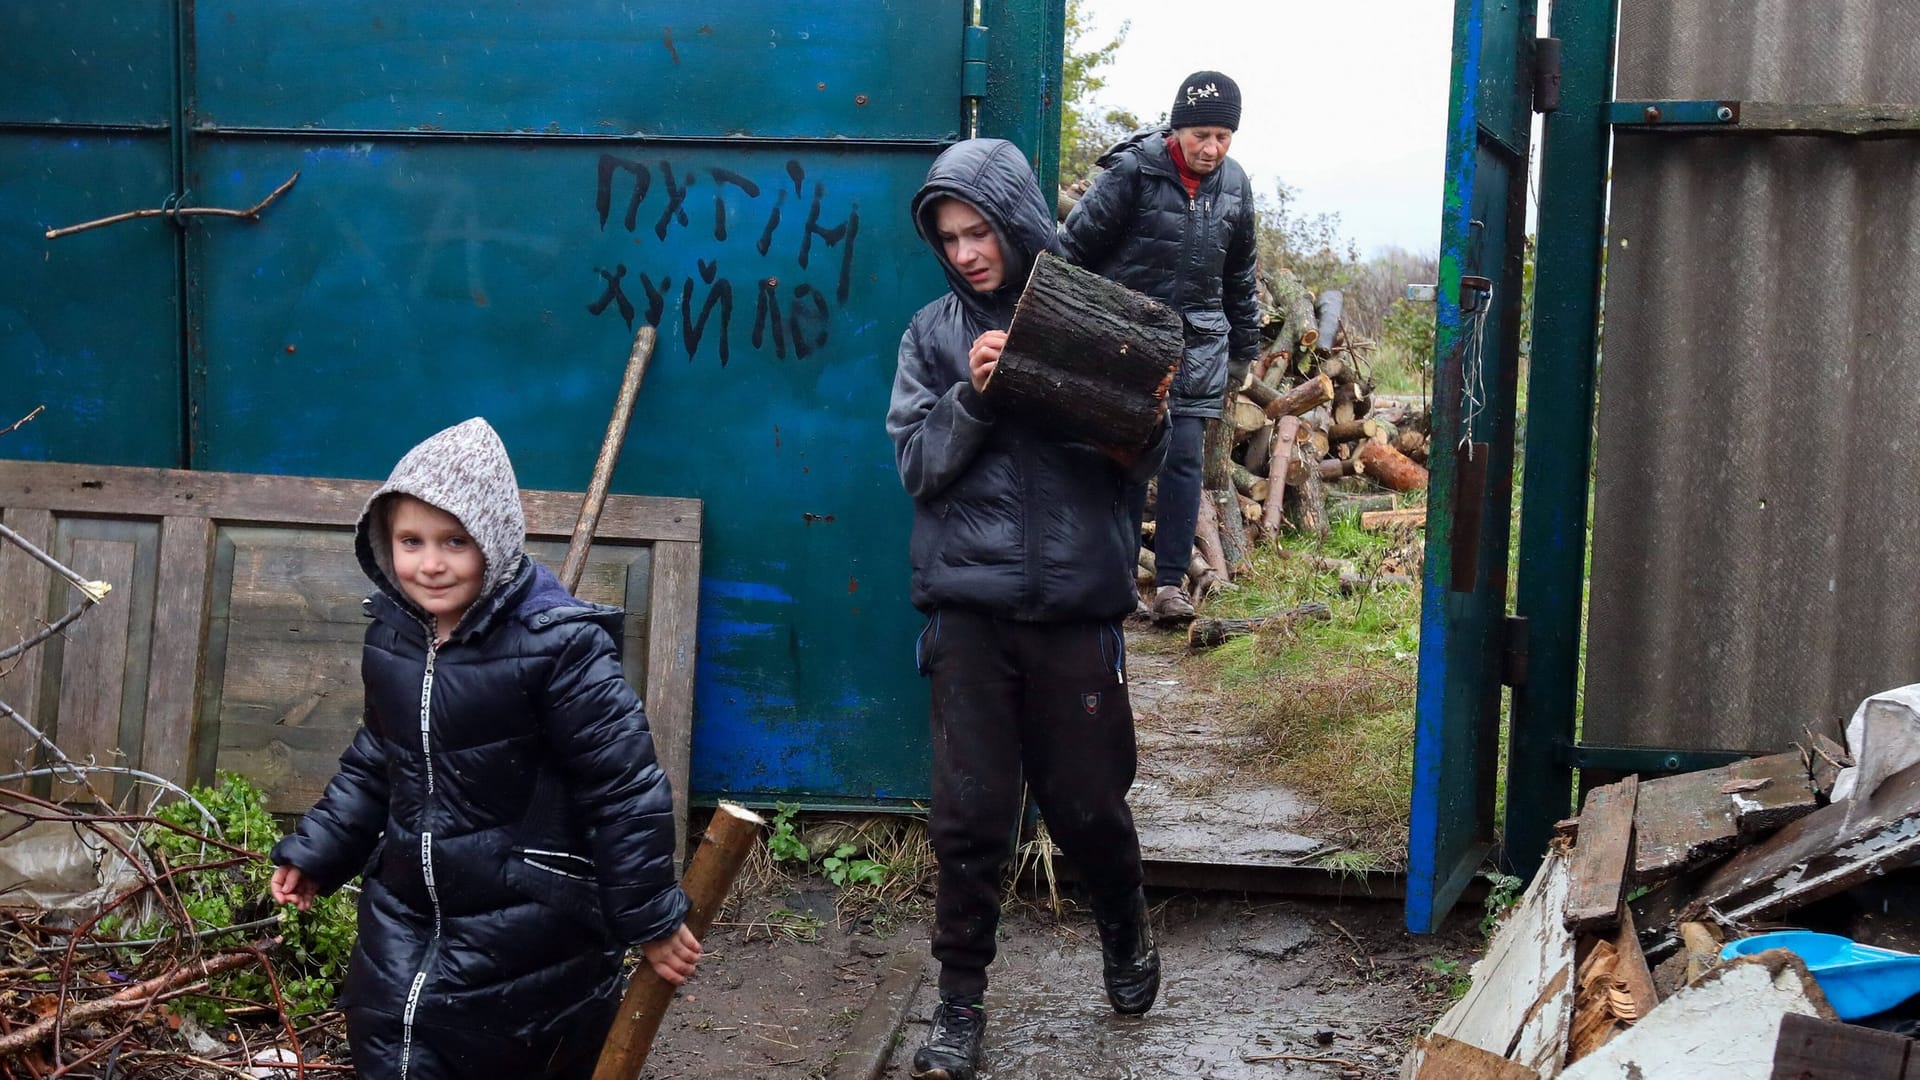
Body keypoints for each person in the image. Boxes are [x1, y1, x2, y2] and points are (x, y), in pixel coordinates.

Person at [268, 417, 699, 1080]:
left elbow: (623, 786)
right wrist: (322, 850)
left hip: (529, 923)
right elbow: (379, 754)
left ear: (493, 541)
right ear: (385, 543)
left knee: (505, 1052)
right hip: (408, 909)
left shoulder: (560, 647)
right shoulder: (393, 636)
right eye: (411, 541)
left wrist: (649, 914)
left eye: (454, 542)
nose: (430, 563)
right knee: (390, 1036)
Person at [887, 138, 1170, 1080]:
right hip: (968, 610)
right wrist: (972, 393)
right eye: (949, 238)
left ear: (1013, 221)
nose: (966, 253)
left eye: (979, 231)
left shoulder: (1089, 311)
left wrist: (1139, 409)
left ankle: (1125, 924)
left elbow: (1139, 458)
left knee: (1088, 806)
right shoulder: (930, 335)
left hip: (1074, 609)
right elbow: (918, 468)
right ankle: (958, 1005)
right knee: (970, 817)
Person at [1060, 70, 1261, 623]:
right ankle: (1117, 580)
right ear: (1178, 129)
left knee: (1183, 463)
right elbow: (1071, 250)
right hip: (1127, 339)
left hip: (1197, 342)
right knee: (1123, 462)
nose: (1211, 148)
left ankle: (1170, 586)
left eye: (1223, 137)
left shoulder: (1236, 185)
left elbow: (1239, 275)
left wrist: (1243, 350)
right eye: (1201, 135)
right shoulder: (1133, 171)